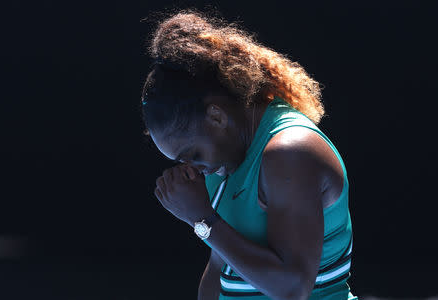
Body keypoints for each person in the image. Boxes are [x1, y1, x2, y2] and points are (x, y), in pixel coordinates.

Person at [141, 9, 358, 300]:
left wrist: (202, 219)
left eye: (191, 153)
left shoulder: (289, 151)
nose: (192, 168)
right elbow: (220, 269)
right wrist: (205, 222)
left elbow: (292, 289)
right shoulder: (224, 161)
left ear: (216, 117)